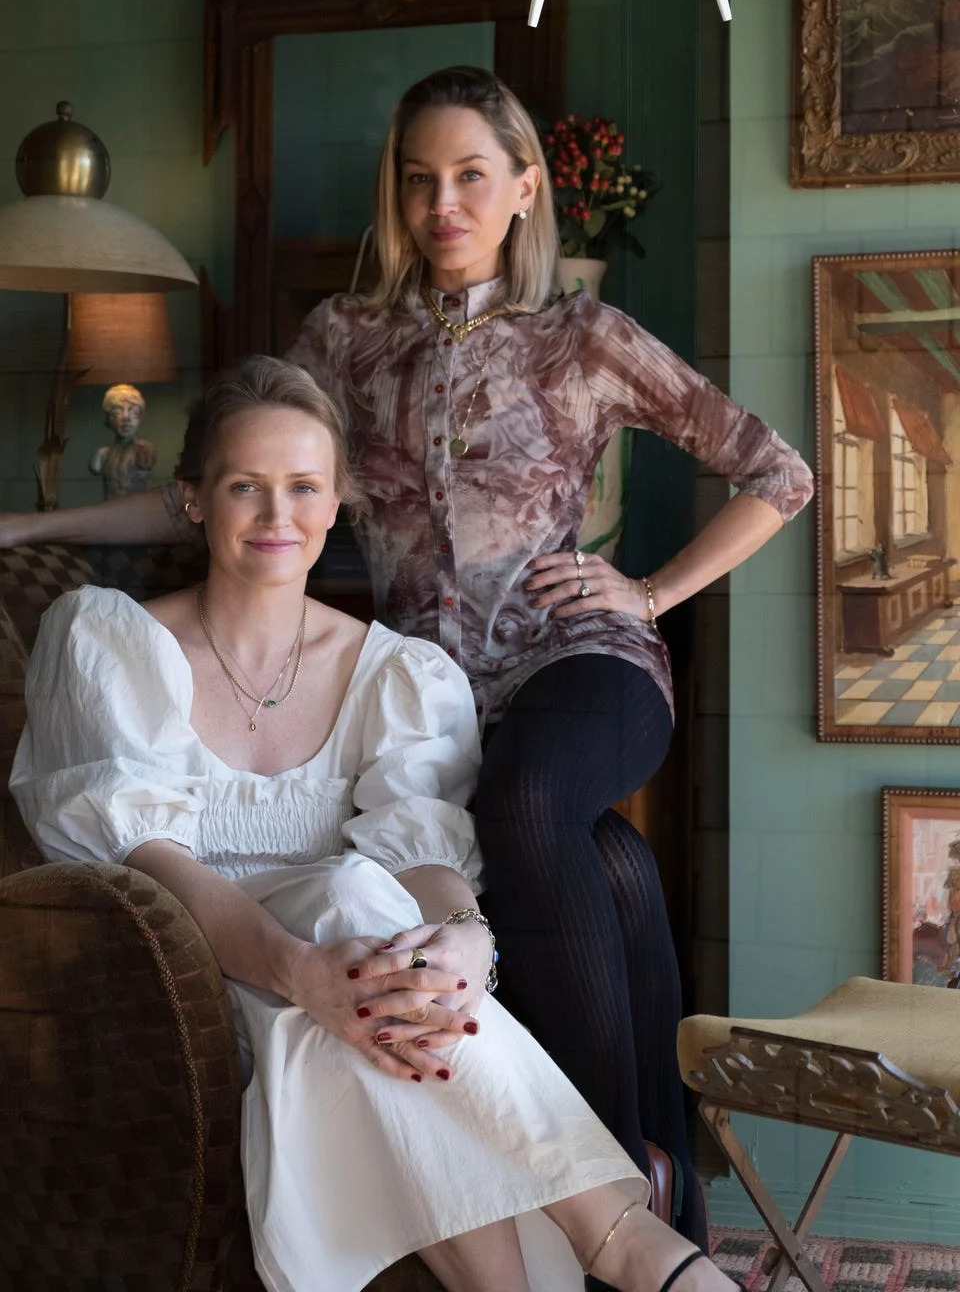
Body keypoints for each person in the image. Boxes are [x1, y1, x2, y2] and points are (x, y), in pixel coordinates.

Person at [0, 65, 814, 1255]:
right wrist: (34, 527)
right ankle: (659, 1183)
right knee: (609, 862)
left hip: (582, 660)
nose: (444, 202)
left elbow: (777, 473)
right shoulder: (346, 338)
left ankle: (618, 1204)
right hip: (446, 686)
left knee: (533, 806)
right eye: (420, 179)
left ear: (526, 187)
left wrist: (646, 591)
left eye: (472, 176)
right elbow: (236, 482)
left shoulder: (581, 335)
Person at [10, 358, 742, 1292]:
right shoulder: (110, 644)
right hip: (192, 990)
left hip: (355, 996)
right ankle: (624, 1237)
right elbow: (150, 860)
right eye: (246, 487)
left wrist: (465, 943)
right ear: (191, 500)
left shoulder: (394, 673)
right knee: (355, 901)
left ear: (337, 503)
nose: (279, 516)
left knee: (378, 980)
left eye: (304, 488)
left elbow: (424, 853)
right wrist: (300, 971)